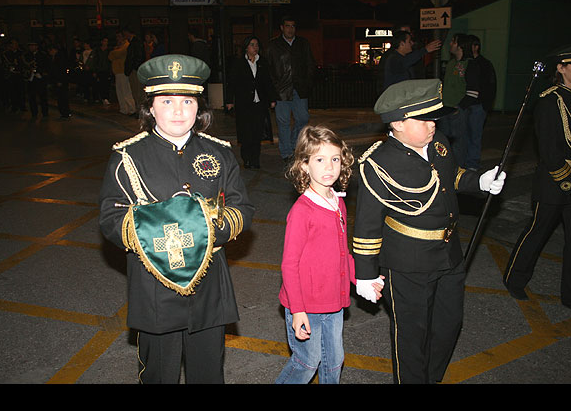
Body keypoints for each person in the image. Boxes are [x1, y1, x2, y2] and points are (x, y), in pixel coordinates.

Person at [98, 54, 255, 384]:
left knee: (209, 374)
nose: (179, 111)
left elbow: (242, 209)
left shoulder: (219, 152)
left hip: (209, 285)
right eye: (167, 101)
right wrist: (168, 226)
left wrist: (203, 228)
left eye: (187, 101)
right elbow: (111, 218)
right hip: (153, 284)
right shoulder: (128, 156)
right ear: (150, 108)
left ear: (199, 107)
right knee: (159, 373)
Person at [352, 78, 506, 384]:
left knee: (449, 324)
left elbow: (451, 176)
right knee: (412, 336)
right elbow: (367, 224)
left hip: (449, 255)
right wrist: (365, 274)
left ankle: (430, 377)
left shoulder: (438, 143)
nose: (432, 124)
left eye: (434, 117)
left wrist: (479, 181)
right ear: (397, 123)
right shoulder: (377, 164)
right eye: (423, 119)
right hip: (407, 263)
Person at [276, 125, 376, 384]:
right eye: (319, 160)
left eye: (335, 159)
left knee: (334, 361)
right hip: (306, 304)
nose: (329, 167)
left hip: (334, 300)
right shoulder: (302, 211)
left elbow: (343, 254)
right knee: (307, 362)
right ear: (304, 165)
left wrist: (362, 279)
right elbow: (289, 265)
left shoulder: (338, 202)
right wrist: (298, 310)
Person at [503, 47, 571, 315]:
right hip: (555, 181)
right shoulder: (549, 101)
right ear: (561, 68)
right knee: (538, 232)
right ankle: (515, 279)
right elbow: (550, 152)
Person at [265, 16, 317, 162]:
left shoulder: (303, 43)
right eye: (287, 26)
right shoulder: (274, 45)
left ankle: (294, 143)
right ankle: (286, 152)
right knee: (283, 122)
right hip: (281, 90)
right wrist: (273, 89)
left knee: (303, 118)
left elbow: (310, 64)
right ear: (282, 28)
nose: (290, 29)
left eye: (293, 26)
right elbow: (268, 68)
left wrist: (307, 82)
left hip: (299, 88)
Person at [225, 36, 276, 169]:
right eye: (252, 45)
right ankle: (247, 158)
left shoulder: (262, 62)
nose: (255, 47)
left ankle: (255, 159)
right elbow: (232, 83)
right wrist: (229, 101)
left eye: (257, 45)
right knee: (246, 132)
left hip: (259, 102)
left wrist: (272, 99)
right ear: (246, 47)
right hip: (244, 103)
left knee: (257, 132)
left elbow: (268, 82)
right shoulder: (238, 63)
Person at [459, 35, 497, 170]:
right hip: (469, 103)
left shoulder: (483, 64)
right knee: (465, 136)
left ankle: (472, 163)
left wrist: (486, 105)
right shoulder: (467, 63)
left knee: (474, 136)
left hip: (477, 105)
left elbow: (490, 85)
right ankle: (467, 162)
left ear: (476, 47)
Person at [437, 33, 471, 167]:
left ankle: (458, 169)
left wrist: (460, 106)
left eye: (453, 42)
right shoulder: (451, 63)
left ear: (460, 45)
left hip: (457, 109)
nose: (450, 44)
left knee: (459, 142)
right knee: (444, 141)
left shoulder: (468, 64)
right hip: (445, 107)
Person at [108, 32, 137, 116]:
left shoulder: (126, 45)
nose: (118, 39)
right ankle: (123, 109)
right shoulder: (118, 47)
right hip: (117, 71)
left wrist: (114, 52)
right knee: (120, 91)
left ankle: (131, 108)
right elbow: (110, 57)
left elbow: (118, 53)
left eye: (119, 37)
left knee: (126, 91)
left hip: (123, 71)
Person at [23, 42, 49, 119]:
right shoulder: (27, 55)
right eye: (30, 46)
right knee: (32, 96)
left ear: (36, 46)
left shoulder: (42, 55)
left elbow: (46, 65)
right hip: (31, 77)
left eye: (33, 45)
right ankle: (34, 113)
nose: (31, 47)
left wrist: (40, 72)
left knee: (43, 96)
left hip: (40, 78)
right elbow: (25, 65)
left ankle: (45, 113)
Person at [44, 44, 71, 119]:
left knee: (63, 97)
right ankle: (63, 113)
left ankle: (65, 113)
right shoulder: (53, 58)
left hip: (61, 80)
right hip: (56, 80)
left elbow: (61, 70)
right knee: (60, 97)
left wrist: (60, 80)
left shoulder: (60, 58)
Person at [123, 26, 145, 109]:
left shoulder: (136, 43)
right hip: (135, 68)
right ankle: (138, 108)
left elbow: (137, 56)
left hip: (135, 69)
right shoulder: (134, 42)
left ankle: (140, 109)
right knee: (136, 90)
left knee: (137, 90)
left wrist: (133, 67)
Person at [88, 37, 112, 106]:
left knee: (106, 84)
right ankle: (100, 97)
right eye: (104, 41)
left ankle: (106, 98)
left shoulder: (109, 50)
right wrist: (94, 70)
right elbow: (94, 61)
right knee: (99, 84)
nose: (105, 43)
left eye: (106, 41)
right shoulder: (97, 50)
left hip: (106, 70)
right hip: (99, 70)